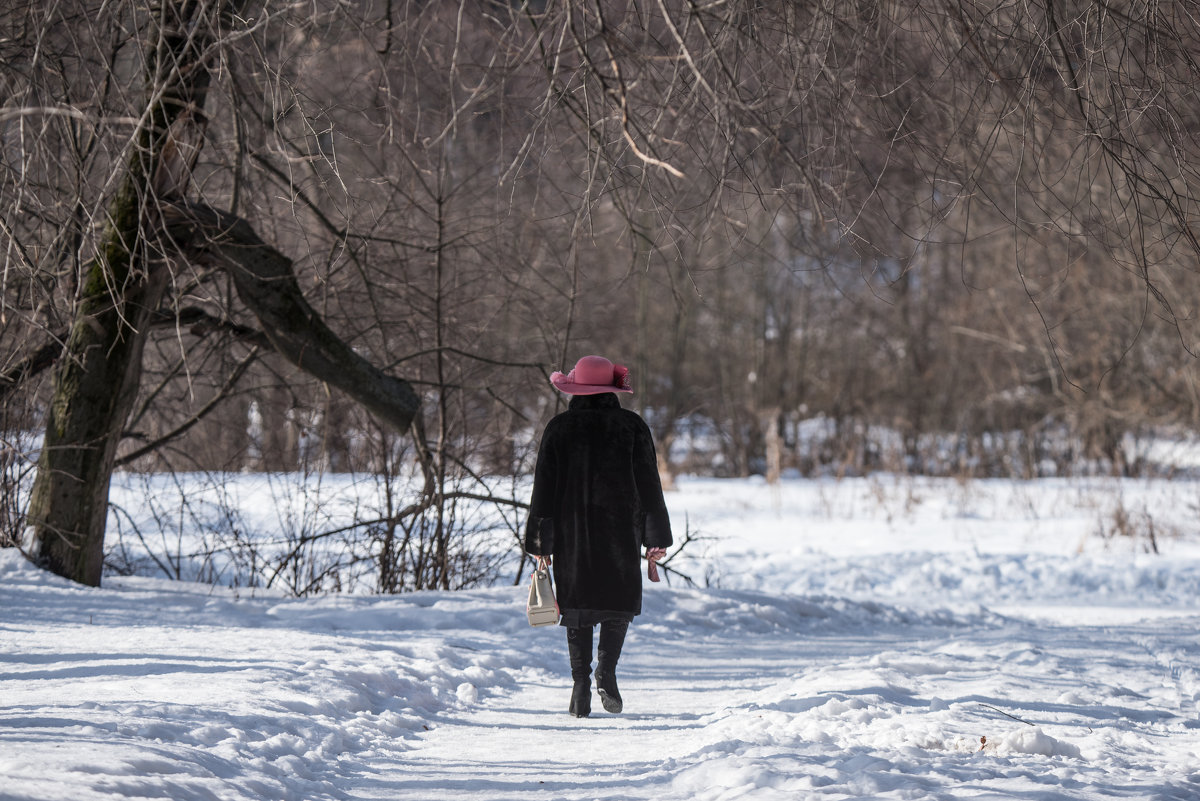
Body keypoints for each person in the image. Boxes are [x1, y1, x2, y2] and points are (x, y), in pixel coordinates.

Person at [524, 355, 673, 718]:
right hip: (621, 529)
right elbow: (649, 485)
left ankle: (580, 684)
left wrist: (541, 542)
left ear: (575, 390)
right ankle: (606, 671)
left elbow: (543, 490)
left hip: (572, 533)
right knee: (615, 604)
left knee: (576, 608)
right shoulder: (632, 427)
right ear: (611, 391)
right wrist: (655, 536)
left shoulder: (558, 428)